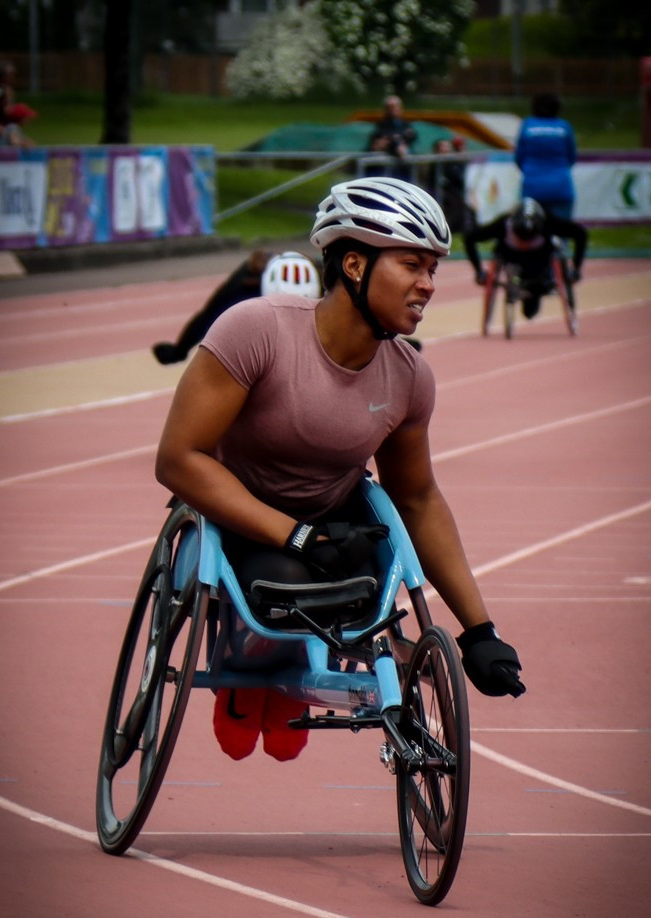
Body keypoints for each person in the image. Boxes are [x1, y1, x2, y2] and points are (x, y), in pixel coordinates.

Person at [155, 177, 525, 761]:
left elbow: (419, 499)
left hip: (334, 522)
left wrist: (481, 632)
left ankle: (297, 674)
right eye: (411, 265)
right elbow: (179, 458)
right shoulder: (256, 331)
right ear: (354, 264)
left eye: (433, 269)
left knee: (363, 584)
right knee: (287, 585)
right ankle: (247, 686)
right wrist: (293, 534)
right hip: (242, 518)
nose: (427, 285)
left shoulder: (409, 377)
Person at [152, 250, 322, 366]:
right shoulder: (243, 285)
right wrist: (180, 350)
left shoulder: (328, 283)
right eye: (283, 308)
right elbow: (209, 317)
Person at [464, 197, 588, 320]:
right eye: (521, 238)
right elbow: (470, 238)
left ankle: (533, 297)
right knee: (530, 304)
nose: (525, 243)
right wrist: (479, 271)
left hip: (539, 269)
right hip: (513, 262)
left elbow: (580, 234)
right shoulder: (503, 224)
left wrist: (576, 268)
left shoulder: (548, 222)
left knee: (532, 303)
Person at [514, 92, 577, 219]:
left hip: (532, 188)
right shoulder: (564, 127)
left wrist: (531, 171)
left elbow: (519, 157)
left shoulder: (528, 126)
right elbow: (572, 157)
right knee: (561, 231)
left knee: (532, 233)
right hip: (561, 187)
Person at [365, 95, 417, 180]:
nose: (393, 109)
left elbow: (412, 135)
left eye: (395, 106)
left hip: (402, 170)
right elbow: (381, 138)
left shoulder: (405, 124)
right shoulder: (381, 125)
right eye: (390, 107)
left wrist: (400, 140)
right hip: (382, 170)